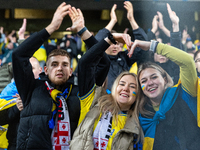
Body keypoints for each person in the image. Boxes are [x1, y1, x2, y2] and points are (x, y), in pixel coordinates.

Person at [67, 7, 143, 150]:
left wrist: (132, 20)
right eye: (122, 83)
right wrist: (85, 31)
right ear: (114, 88)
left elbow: (142, 52)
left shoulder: (138, 125)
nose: (126, 88)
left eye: (133, 87)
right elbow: (91, 61)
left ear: (137, 96)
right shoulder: (94, 103)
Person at [12, 3, 80, 149]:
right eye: (54, 64)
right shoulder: (30, 88)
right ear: (46, 70)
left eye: (64, 65)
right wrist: (52, 27)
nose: (59, 68)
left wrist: (83, 31)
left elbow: (100, 65)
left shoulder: (80, 93)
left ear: (71, 71)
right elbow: (18, 55)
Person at [128, 38, 200, 149]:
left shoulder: (183, 93)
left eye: (154, 77)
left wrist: (152, 46)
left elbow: (188, 61)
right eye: (144, 81)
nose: (150, 83)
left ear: (165, 79)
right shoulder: (141, 115)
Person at [95, 2, 148, 92]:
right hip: (105, 101)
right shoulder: (98, 59)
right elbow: (96, 42)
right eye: (111, 43)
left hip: (123, 98)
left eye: (117, 43)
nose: (115, 46)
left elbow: (142, 46)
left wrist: (131, 19)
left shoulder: (124, 57)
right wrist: (113, 21)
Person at [0, 56, 42, 150]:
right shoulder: (9, 91)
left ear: (40, 70)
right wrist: (16, 107)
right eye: (24, 69)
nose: (27, 72)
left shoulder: (47, 90)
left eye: (32, 68)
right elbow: (1, 118)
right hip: (14, 144)